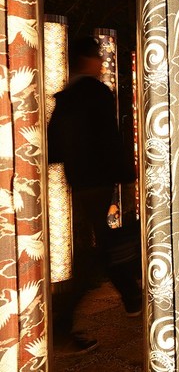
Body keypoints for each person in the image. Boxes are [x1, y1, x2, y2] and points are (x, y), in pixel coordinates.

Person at [47, 36, 140, 355]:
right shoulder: (96, 93)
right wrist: (127, 177)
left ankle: (131, 296)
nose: (102, 63)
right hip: (98, 180)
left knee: (102, 241)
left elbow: (54, 145)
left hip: (79, 180)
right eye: (98, 57)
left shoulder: (66, 96)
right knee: (97, 250)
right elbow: (109, 139)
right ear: (87, 60)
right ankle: (61, 327)